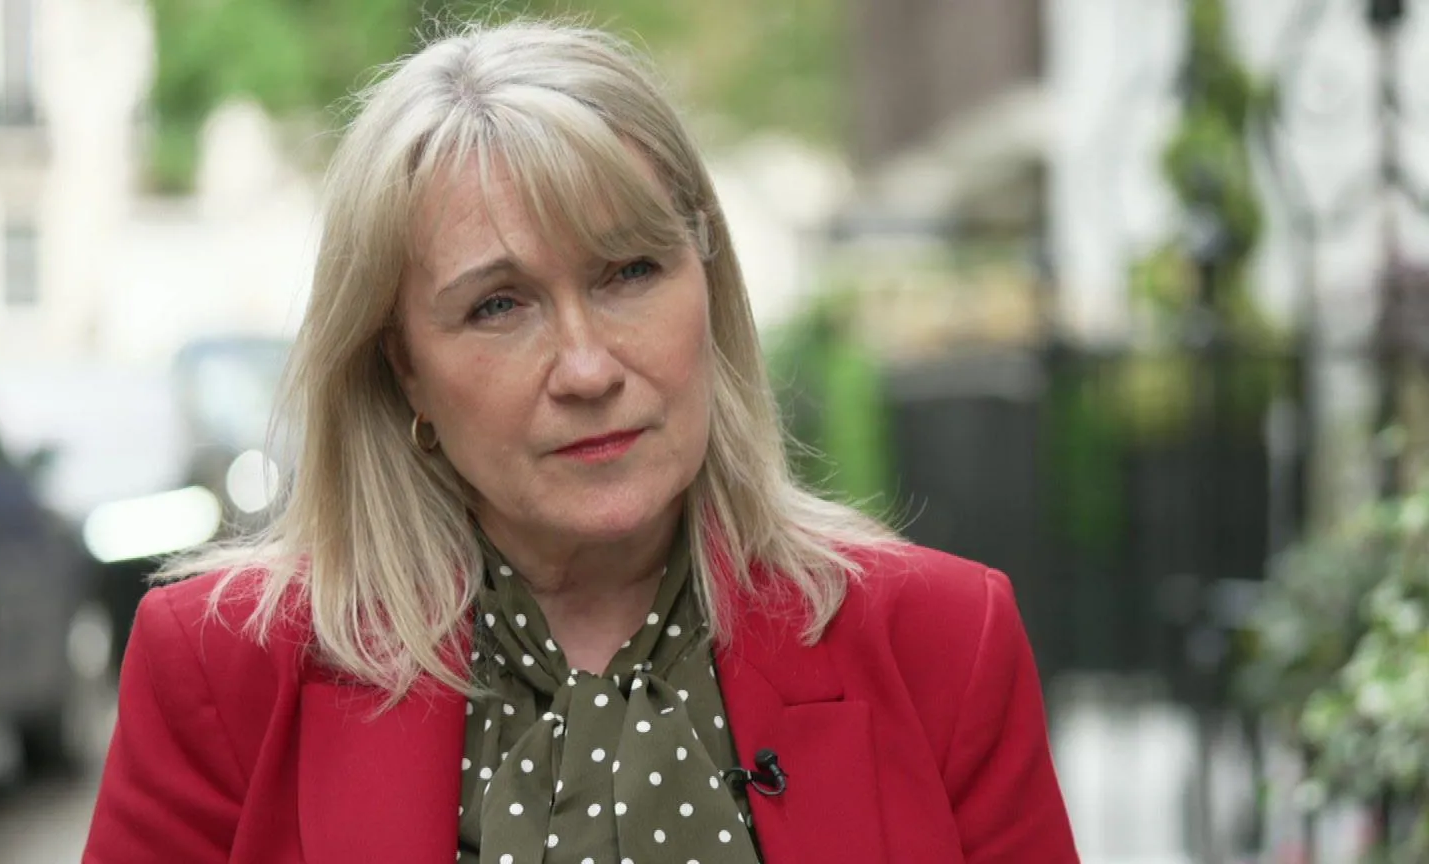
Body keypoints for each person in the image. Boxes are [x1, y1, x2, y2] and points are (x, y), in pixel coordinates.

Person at [84, 20, 1078, 864]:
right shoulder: (223, 670)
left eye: (630, 272)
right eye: (499, 305)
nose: (588, 366)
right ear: (402, 366)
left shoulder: (944, 641)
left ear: (709, 282)